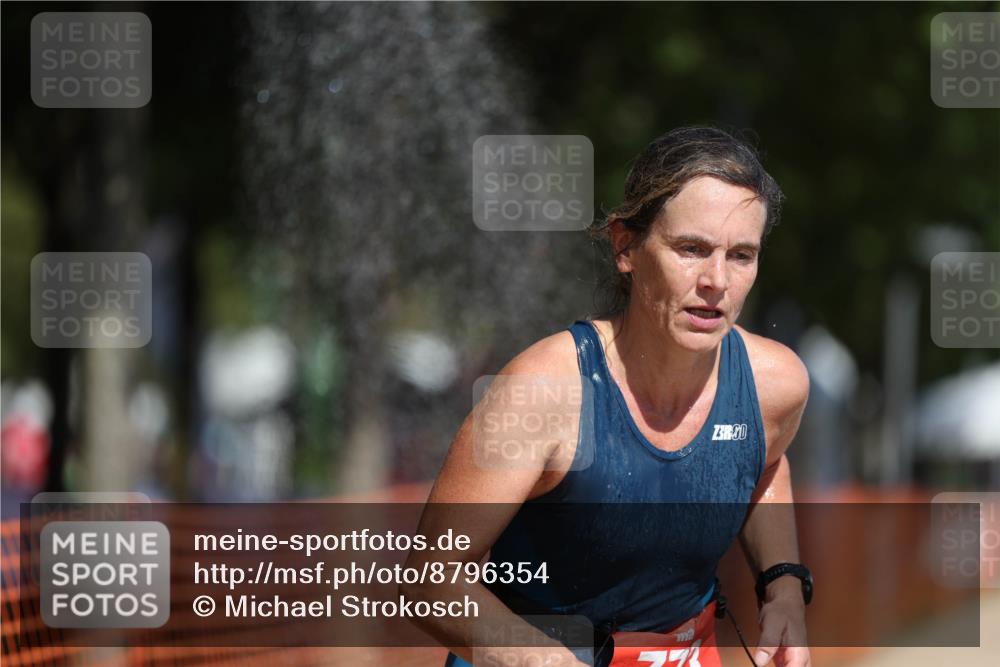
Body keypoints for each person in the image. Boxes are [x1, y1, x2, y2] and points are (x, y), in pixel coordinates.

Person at [403, 126, 811, 667]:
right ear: (625, 247)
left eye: (741, 255)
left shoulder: (774, 385)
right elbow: (429, 583)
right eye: (691, 249)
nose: (717, 280)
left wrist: (782, 584)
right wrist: (543, 660)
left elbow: (763, 461)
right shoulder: (541, 393)